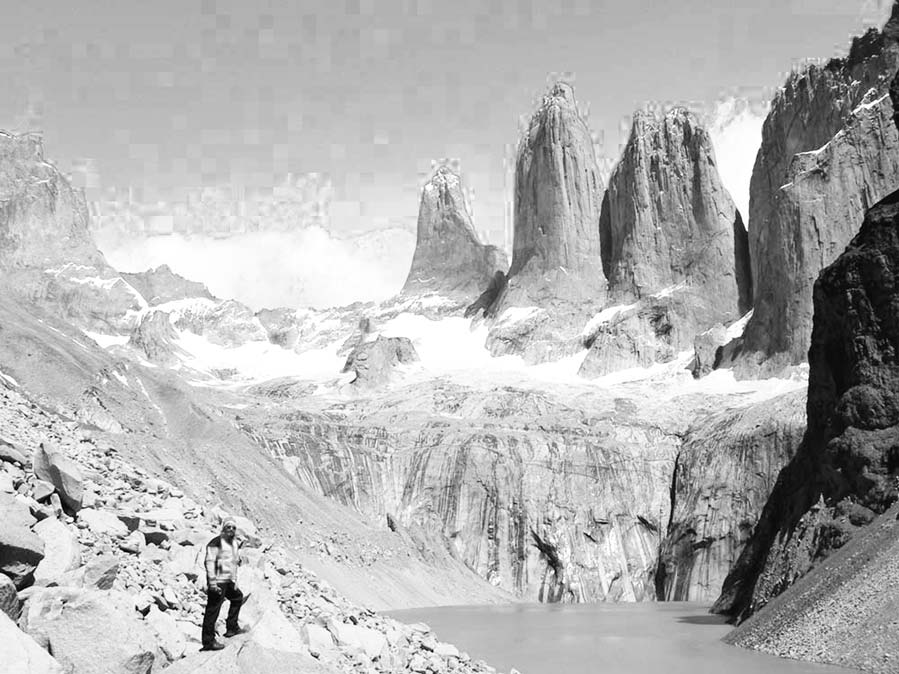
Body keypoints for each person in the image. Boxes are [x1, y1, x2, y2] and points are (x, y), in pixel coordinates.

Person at [201, 519, 246, 651]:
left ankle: (232, 628)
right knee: (212, 611)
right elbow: (209, 562)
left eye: (233, 527)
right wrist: (212, 583)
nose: (231, 530)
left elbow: (233, 563)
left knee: (238, 598)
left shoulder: (233, 544)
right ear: (223, 528)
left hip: (227, 580)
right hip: (218, 582)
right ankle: (208, 642)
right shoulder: (215, 543)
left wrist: (235, 580)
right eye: (228, 527)